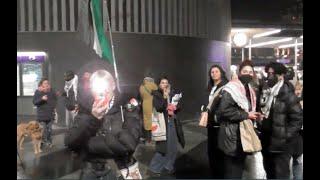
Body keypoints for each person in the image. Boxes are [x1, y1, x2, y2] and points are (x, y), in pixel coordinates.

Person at [64, 63, 142, 180]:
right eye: (97, 86)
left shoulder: (126, 106)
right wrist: (93, 119)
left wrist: (87, 145)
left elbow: (129, 144)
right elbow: (71, 142)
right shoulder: (86, 109)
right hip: (90, 171)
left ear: (113, 86)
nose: (102, 91)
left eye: (105, 85)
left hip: (119, 169)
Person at [216, 60, 260, 179]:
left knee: (238, 170)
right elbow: (224, 111)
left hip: (242, 135)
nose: (248, 74)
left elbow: (247, 109)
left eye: (251, 72)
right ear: (239, 73)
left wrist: (255, 115)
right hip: (232, 136)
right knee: (232, 171)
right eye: (245, 71)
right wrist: (247, 115)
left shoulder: (249, 89)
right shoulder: (231, 88)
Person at [259, 62, 303, 179]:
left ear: (281, 76)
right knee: (269, 171)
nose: (270, 76)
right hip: (266, 140)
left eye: (273, 74)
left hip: (282, 144)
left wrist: (285, 135)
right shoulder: (265, 91)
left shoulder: (288, 94)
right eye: (268, 73)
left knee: (281, 174)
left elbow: (298, 119)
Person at [148, 76, 185, 177]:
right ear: (158, 84)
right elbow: (159, 107)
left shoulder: (170, 93)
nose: (164, 84)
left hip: (171, 122)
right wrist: (164, 97)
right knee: (164, 148)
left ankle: (169, 166)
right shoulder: (156, 94)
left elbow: (173, 108)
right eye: (162, 83)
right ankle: (153, 168)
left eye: (166, 83)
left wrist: (175, 106)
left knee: (173, 146)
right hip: (162, 124)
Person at [201, 65, 228, 178]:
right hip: (211, 124)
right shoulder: (211, 87)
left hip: (220, 124)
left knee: (219, 153)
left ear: (221, 73)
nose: (214, 74)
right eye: (212, 72)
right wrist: (203, 108)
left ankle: (220, 175)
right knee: (211, 152)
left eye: (216, 71)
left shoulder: (225, 87)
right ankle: (215, 174)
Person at [33, 78, 58, 149]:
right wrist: (42, 99)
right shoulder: (38, 92)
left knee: (50, 130)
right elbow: (35, 102)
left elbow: (55, 99)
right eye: (45, 83)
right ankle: (41, 142)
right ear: (41, 84)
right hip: (41, 116)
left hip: (50, 115)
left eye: (47, 83)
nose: (46, 84)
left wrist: (54, 107)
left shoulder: (51, 92)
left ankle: (49, 142)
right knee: (42, 130)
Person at [139, 77, 158, 143]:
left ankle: (148, 139)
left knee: (146, 121)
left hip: (145, 105)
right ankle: (155, 137)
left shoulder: (141, 87)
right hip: (153, 104)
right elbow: (157, 94)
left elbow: (141, 96)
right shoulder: (153, 85)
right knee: (154, 120)